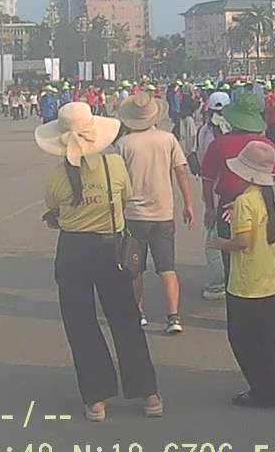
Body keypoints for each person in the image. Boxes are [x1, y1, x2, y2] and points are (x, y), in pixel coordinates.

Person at [37, 102, 163, 422]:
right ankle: (149, 394)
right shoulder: (114, 166)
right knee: (126, 320)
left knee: (81, 324)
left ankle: (96, 399)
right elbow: (125, 198)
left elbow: (56, 212)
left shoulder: (55, 178)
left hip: (74, 251)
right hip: (112, 249)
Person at [207, 141, 275, 408]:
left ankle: (266, 388)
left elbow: (243, 242)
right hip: (269, 277)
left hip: (246, 281)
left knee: (242, 339)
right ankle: (274, 384)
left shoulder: (245, 202)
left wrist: (221, 243)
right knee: (268, 338)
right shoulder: (272, 203)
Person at [200, 94, 275, 326]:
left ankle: (240, 316)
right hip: (264, 201)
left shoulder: (219, 144)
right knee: (268, 257)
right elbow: (272, 177)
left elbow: (208, 180)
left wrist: (209, 207)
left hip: (229, 204)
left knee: (233, 263)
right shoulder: (266, 146)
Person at [116, 93, 195, 333]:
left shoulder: (124, 144)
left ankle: (138, 312)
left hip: (133, 214)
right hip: (163, 213)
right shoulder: (168, 139)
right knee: (167, 268)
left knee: (134, 268)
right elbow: (181, 171)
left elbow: (117, 180)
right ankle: (173, 317)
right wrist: (188, 203)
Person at [198, 91, 233, 301]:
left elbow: (205, 173)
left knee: (214, 243)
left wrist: (209, 207)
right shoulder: (236, 131)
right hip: (238, 193)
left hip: (216, 194)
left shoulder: (205, 132)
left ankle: (217, 284)